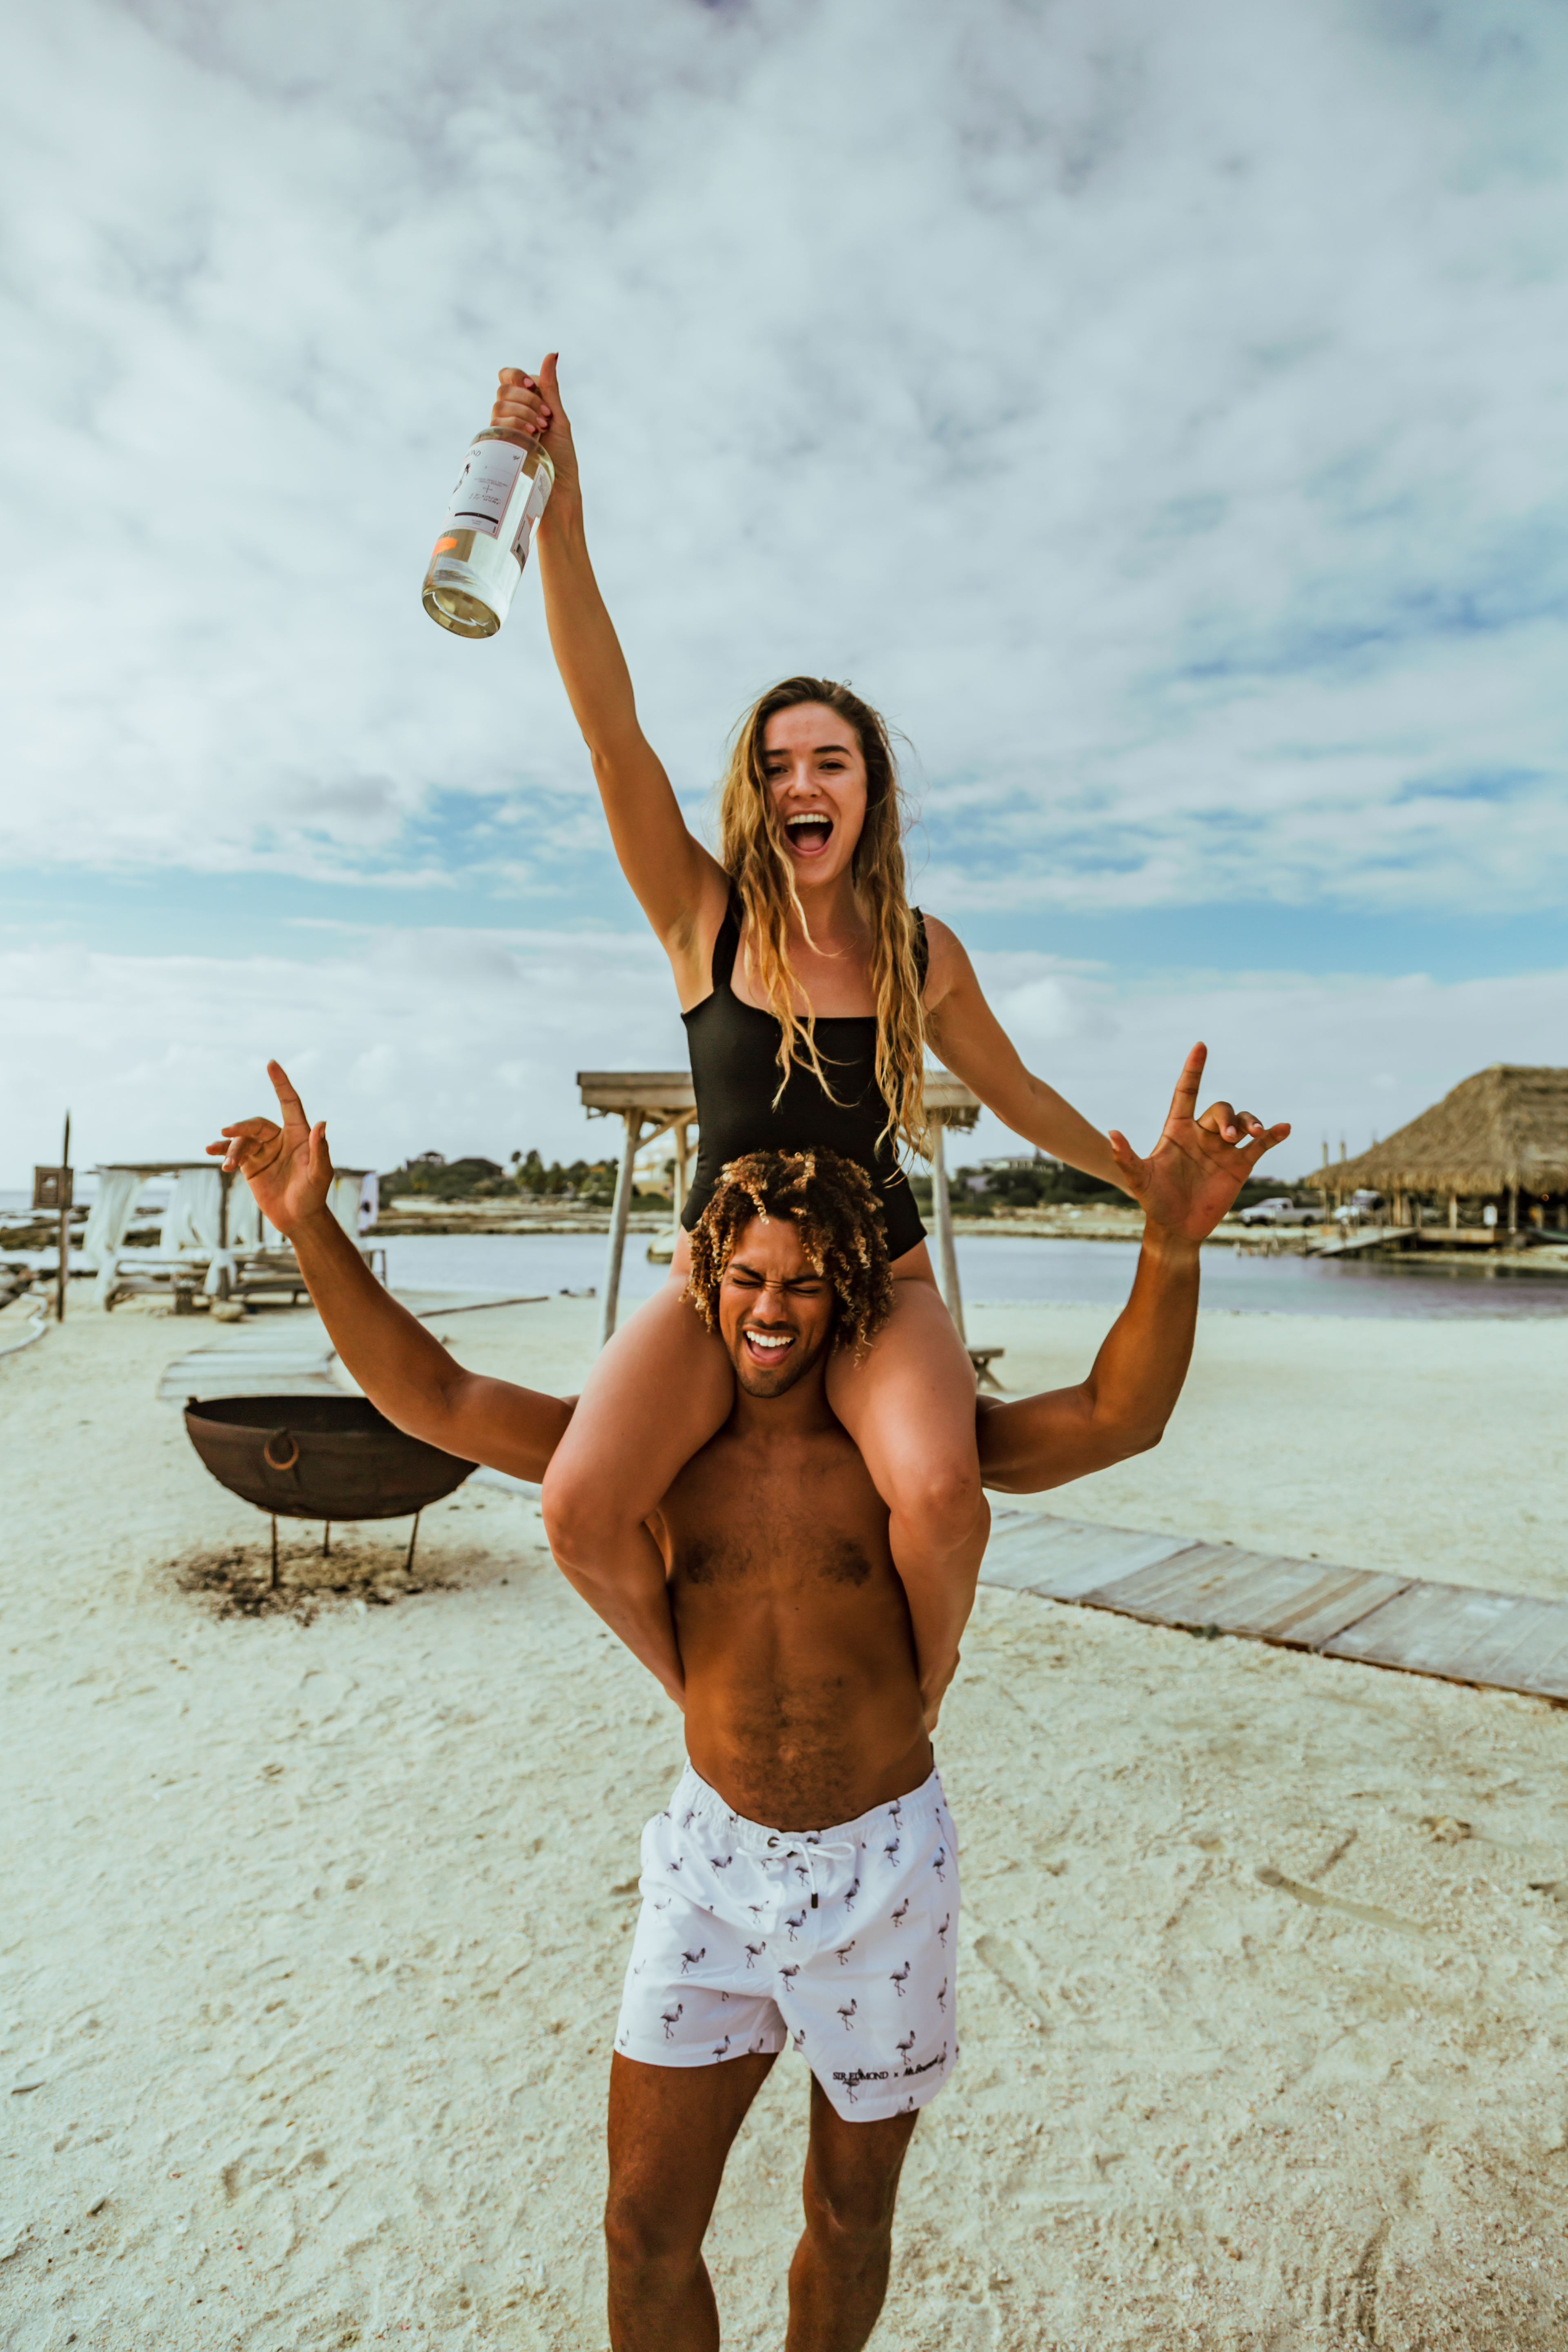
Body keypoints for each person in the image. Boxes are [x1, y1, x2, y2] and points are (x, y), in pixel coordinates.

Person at [211, 1046, 1287, 2352]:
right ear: (706, 1287)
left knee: (847, 2215)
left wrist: (1169, 1246)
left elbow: (1120, 1416)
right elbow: (428, 1396)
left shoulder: (899, 1453)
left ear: (849, 1300)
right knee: (642, 2227)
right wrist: (311, 1222)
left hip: (886, 1867)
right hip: (713, 1866)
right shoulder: (657, 1454)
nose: (773, 1312)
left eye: (805, 1285)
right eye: (748, 1281)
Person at [486, 356, 1274, 1727]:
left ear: (869, 792)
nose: (803, 780)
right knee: (578, 1506)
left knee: (942, 1500)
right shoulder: (702, 916)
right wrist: (559, 506)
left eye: (830, 762)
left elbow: (1016, 1092)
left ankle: (917, 1694)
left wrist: (1136, 1179)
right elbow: (609, 730)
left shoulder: (921, 949)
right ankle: (704, 1692)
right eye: (780, 763)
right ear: (756, 791)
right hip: (716, 1274)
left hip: (882, 1269)